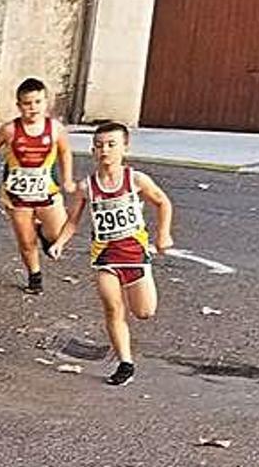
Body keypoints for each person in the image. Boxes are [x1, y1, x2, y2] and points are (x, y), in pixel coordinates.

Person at [48, 122, 173, 386]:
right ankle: (125, 363)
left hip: (135, 257)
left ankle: (127, 347)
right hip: (105, 258)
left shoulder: (135, 180)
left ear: (125, 148)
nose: (104, 150)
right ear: (93, 150)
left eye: (111, 144)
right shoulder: (87, 187)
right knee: (113, 309)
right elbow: (72, 221)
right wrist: (60, 242)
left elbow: (162, 202)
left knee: (144, 312)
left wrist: (163, 234)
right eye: (99, 145)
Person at [0, 78, 75, 294]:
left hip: (47, 192)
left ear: (46, 102)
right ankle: (34, 276)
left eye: (37, 102)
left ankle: (41, 230)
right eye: (27, 103)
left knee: (58, 235)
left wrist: (67, 179)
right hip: (17, 196)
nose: (33, 108)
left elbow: (65, 152)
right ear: (19, 106)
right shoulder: (9, 130)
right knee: (26, 242)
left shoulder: (55, 128)